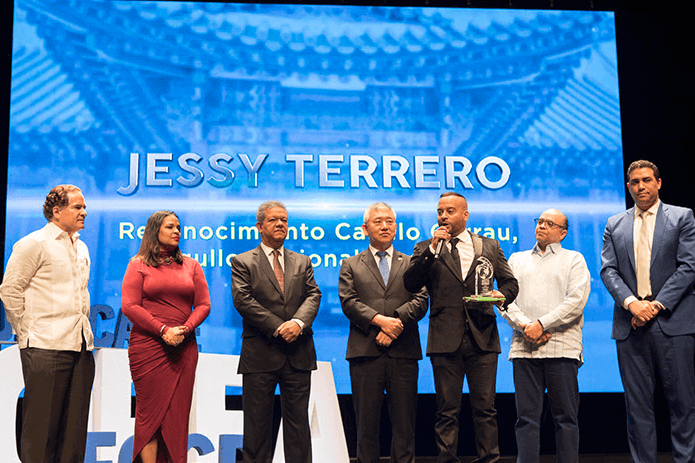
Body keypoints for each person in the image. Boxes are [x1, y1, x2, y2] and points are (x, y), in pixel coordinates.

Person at [404, 192, 518, 463]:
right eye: (440, 211)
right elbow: (410, 283)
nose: (443, 216)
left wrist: (498, 296)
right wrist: (433, 250)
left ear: (465, 214)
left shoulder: (488, 246)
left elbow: (510, 284)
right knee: (446, 411)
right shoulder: (425, 248)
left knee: (485, 409)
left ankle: (489, 459)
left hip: (483, 337)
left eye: (450, 211)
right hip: (445, 338)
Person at [600, 160, 695, 463]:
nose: (640, 187)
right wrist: (632, 304)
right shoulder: (614, 223)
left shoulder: (682, 217)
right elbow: (608, 270)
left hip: (672, 320)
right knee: (637, 406)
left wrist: (654, 305)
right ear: (628, 186)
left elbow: (688, 266)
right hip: (631, 323)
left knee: (682, 403)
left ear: (658, 183)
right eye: (634, 182)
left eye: (645, 180)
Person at [0, 184, 94, 463]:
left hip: (80, 347)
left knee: (74, 435)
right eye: (77, 207)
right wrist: (25, 332)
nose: (84, 212)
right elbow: (10, 289)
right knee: (42, 432)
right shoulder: (34, 243)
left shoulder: (82, 246)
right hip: (44, 347)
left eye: (84, 206)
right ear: (57, 211)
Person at [231, 201, 321, 463]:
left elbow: (313, 294)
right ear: (259, 226)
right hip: (260, 354)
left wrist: (298, 324)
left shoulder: (302, 261)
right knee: (257, 429)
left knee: (298, 429)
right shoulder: (243, 261)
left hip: (298, 353)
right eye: (273, 220)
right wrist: (279, 327)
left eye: (284, 219)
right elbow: (243, 300)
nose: (281, 224)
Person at [338, 202, 428, 463]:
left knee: (404, 426)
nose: (385, 225)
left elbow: (421, 299)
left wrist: (394, 324)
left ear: (396, 227)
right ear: (365, 228)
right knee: (366, 427)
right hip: (365, 353)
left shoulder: (412, 263)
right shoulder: (350, 264)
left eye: (389, 221)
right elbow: (349, 302)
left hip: (403, 352)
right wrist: (380, 321)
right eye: (378, 221)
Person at [500, 209, 590, 463]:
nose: (542, 226)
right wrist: (526, 326)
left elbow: (576, 301)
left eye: (550, 223)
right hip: (524, 347)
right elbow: (506, 299)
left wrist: (542, 324)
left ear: (563, 232)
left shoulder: (574, 259)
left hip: (562, 347)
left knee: (566, 419)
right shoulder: (516, 259)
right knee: (525, 419)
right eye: (539, 221)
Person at [121, 210, 211, 463]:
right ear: (154, 230)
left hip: (183, 347)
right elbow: (130, 306)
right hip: (148, 347)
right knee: (149, 416)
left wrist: (185, 329)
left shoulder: (191, 265)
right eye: (170, 227)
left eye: (179, 228)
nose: (177, 232)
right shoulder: (137, 264)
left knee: (177, 416)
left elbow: (204, 304)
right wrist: (162, 330)